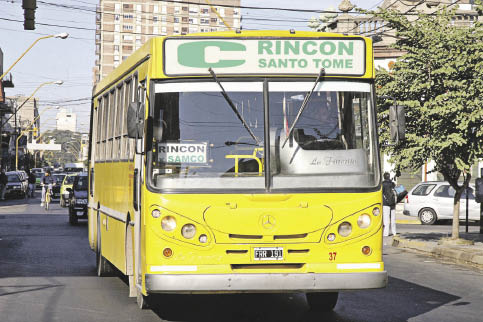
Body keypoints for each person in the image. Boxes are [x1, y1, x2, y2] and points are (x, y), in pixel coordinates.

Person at [382, 172, 397, 236]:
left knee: (386, 219)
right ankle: (394, 232)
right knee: (393, 219)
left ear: (384, 177)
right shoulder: (392, 184)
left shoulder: (382, 184)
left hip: (385, 203)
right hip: (393, 203)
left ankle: (386, 233)